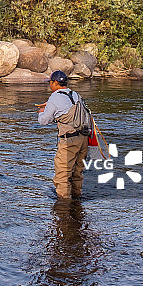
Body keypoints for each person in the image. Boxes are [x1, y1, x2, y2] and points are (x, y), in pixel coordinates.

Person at [37, 70, 89, 200]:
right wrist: (50, 105)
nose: (50, 85)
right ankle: (77, 203)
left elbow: (44, 121)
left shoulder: (54, 97)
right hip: (83, 139)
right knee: (77, 173)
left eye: (50, 83)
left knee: (62, 176)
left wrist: (41, 111)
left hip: (69, 141)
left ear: (55, 83)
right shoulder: (75, 94)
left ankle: (64, 209)